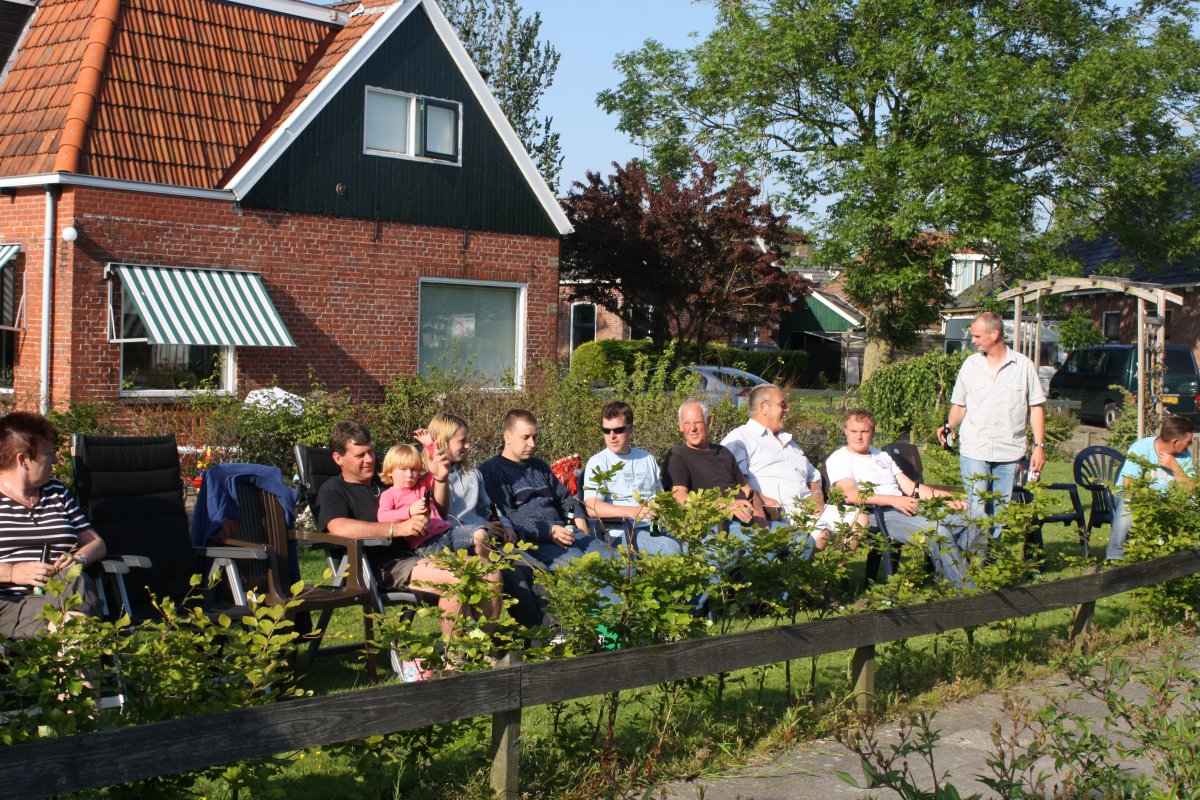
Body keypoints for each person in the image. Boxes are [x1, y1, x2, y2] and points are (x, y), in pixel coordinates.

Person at [315, 421, 501, 637]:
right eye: (360, 455)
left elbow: (440, 512)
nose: (370, 459)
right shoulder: (334, 490)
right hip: (379, 566)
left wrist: (440, 480)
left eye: (371, 452)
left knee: (490, 572)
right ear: (338, 458)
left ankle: (482, 647)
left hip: (420, 553)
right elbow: (339, 527)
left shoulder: (388, 480)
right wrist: (397, 528)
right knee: (457, 577)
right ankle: (456, 655)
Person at [422, 413, 547, 628]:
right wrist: (480, 527)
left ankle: (551, 630)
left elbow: (488, 507)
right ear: (442, 441)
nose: (467, 445)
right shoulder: (428, 476)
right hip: (461, 544)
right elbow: (437, 520)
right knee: (513, 577)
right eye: (462, 441)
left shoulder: (472, 474)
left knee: (533, 568)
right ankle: (531, 632)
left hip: (488, 541)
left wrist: (505, 525)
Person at [826, 409, 975, 587]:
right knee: (937, 532)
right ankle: (963, 590)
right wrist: (894, 500)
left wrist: (949, 498)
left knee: (970, 520)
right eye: (854, 431)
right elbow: (850, 495)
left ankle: (972, 578)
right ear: (845, 431)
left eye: (864, 431)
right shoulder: (840, 458)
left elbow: (912, 488)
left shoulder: (882, 456)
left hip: (906, 507)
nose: (858, 437)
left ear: (872, 432)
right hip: (876, 514)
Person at [0, 411, 106, 638]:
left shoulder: (55, 491)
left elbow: (97, 543)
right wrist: (11, 572)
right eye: (48, 453)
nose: (56, 459)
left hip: (63, 593)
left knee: (74, 579)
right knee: (67, 621)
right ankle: (76, 654)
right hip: (10, 603)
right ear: (23, 460)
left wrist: (78, 559)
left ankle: (69, 646)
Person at [720, 384, 864, 551]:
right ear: (763, 407)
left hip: (810, 508)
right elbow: (734, 480)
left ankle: (835, 566)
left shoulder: (789, 442)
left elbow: (813, 476)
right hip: (781, 513)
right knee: (821, 533)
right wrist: (762, 499)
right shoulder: (741, 438)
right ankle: (812, 567)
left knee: (859, 519)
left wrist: (817, 494)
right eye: (782, 405)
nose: (787, 409)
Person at [938, 312, 1046, 533]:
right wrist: (949, 426)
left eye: (977, 336)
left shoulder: (1023, 366)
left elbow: (1036, 407)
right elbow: (960, 405)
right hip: (974, 450)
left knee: (999, 516)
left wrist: (1039, 446)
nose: (973, 340)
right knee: (976, 512)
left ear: (995, 334)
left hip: (1009, 453)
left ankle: (992, 554)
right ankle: (973, 554)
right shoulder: (970, 365)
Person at [479, 409, 612, 572]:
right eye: (525, 437)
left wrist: (578, 516)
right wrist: (548, 531)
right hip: (535, 541)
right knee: (584, 570)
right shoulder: (491, 471)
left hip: (566, 532)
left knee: (616, 560)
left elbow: (564, 498)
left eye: (534, 437)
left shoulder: (539, 466)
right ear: (507, 437)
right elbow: (508, 514)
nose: (532, 444)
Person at [583, 401, 682, 556]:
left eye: (618, 430)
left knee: (696, 545)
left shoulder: (647, 458)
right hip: (621, 531)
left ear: (630, 429)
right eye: (606, 431)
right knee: (669, 548)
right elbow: (592, 507)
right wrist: (633, 512)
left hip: (655, 526)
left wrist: (660, 506)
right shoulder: (598, 462)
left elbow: (659, 497)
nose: (612, 436)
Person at [662, 398, 767, 530]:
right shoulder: (678, 455)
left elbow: (748, 491)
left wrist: (761, 520)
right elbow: (680, 498)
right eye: (686, 423)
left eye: (697, 422)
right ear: (680, 426)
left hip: (748, 520)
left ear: (709, 421)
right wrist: (726, 506)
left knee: (791, 536)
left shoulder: (724, 452)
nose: (692, 428)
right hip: (715, 525)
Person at [1106, 416, 1196, 561]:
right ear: (1175, 442)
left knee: (1194, 502)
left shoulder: (1184, 455)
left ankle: (1190, 555)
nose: (1189, 445)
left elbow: (1191, 490)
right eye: (1188, 442)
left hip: (1167, 501)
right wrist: (1153, 501)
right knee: (1129, 501)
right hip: (1136, 497)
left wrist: (1175, 467)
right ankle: (1115, 556)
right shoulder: (1141, 448)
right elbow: (1129, 486)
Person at [377, 443, 466, 556]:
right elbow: (383, 516)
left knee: (479, 534)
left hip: (448, 531)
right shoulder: (388, 495)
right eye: (403, 469)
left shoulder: (422, 484)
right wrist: (409, 511)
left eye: (413, 469)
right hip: (426, 544)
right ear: (390, 471)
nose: (409, 474)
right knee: (453, 564)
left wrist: (430, 445)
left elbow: (436, 468)